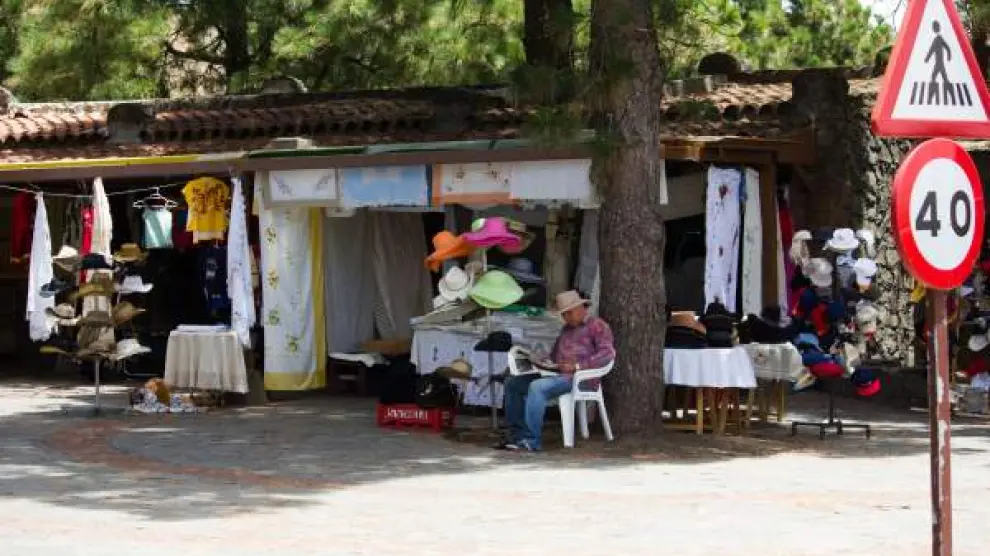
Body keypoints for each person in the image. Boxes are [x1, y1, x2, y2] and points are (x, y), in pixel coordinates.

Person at [499, 290, 615, 452]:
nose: (566, 318)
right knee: (513, 383)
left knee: (537, 387)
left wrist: (577, 366)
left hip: (579, 378)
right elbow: (555, 356)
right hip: (557, 374)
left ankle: (532, 441)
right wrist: (540, 361)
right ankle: (517, 436)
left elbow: (607, 354)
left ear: (581, 308)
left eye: (569, 313)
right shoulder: (566, 329)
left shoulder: (597, 325)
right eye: (563, 314)